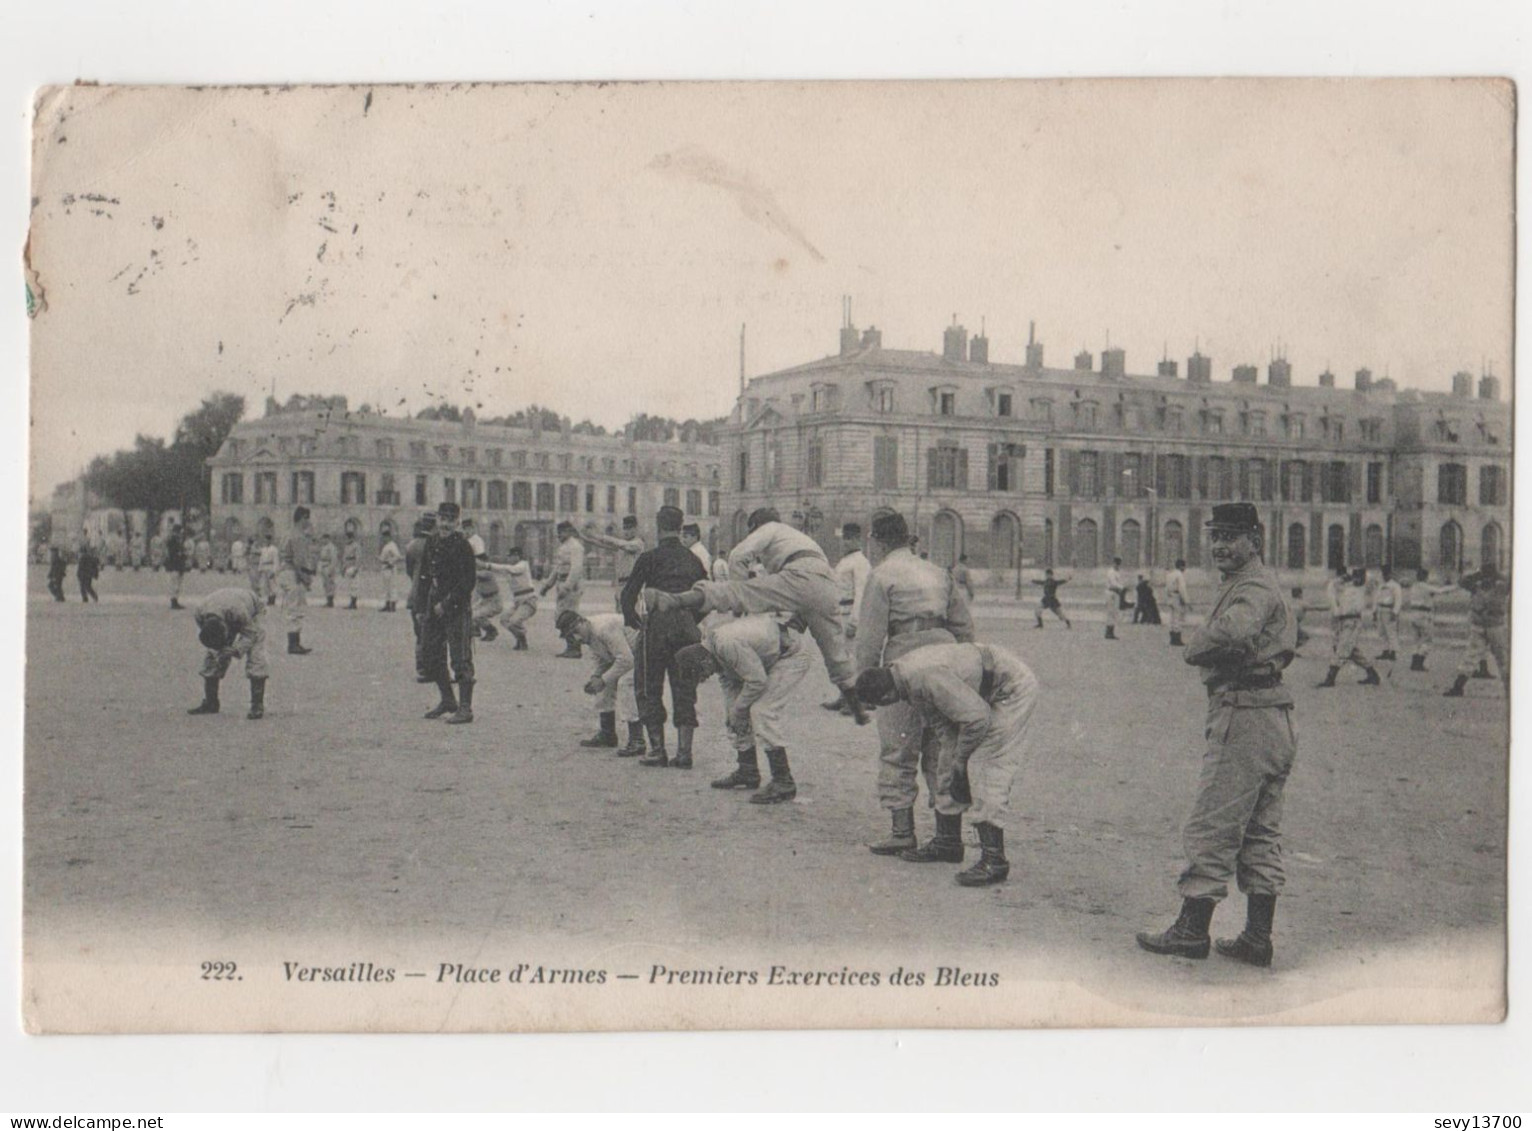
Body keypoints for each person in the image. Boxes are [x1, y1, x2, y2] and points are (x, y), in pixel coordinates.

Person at [1136, 503, 1298, 967]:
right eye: (1215, 536)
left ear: (1255, 540)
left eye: (1232, 536)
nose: (1221, 545)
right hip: (1274, 713)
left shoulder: (1252, 586)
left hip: (1245, 714)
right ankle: (1256, 937)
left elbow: (1234, 631)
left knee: (1213, 823)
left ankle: (1191, 930)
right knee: (1261, 831)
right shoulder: (1255, 582)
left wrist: (1196, 645)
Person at [645, 506, 870, 726]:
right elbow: (797, 597)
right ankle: (855, 704)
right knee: (835, 652)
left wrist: (740, 600)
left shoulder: (770, 527)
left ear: (754, 526)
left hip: (799, 575)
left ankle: (677, 599)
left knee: (735, 592)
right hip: (825, 586)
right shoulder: (797, 537)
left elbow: (738, 556)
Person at [855, 641, 1039, 886]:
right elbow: (944, 726)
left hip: (1010, 689)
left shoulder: (922, 677)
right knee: (947, 759)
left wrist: (962, 762)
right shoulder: (903, 677)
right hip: (984, 687)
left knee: (985, 768)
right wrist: (953, 763)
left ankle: (994, 860)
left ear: (887, 695)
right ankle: (948, 842)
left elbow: (977, 719)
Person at [852, 511, 975, 855]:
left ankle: (902, 831)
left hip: (904, 658)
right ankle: (949, 837)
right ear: (907, 538)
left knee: (898, 748)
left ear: (876, 541)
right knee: (944, 747)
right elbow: (964, 627)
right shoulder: (938, 571)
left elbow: (869, 639)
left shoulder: (881, 575)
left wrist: (865, 684)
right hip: (946, 657)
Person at [677, 613, 813, 804]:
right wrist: (734, 713)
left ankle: (783, 781)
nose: (705, 678)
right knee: (733, 712)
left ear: (704, 661)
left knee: (762, 711)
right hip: (768, 657)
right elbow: (729, 683)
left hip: (790, 655)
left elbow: (757, 681)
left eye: (702, 674)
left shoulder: (726, 645)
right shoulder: (713, 651)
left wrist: (740, 710)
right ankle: (747, 770)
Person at [622, 505, 709, 767]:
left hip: (657, 625)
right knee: (685, 688)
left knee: (649, 685)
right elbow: (706, 596)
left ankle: (657, 750)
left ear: (659, 527)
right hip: (686, 626)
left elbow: (628, 595)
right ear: (681, 527)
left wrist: (635, 622)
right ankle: (684, 753)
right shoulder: (693, 559)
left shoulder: (650, 558)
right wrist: (691, 620)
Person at [418, 501, 478, 724]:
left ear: (457, 523)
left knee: (461, 657)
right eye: (442, 519)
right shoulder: (431, 541)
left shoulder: (463, 546)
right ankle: (447, 700)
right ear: (437, 520)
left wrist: (447, 603)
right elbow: (424, 576)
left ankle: (465, 708)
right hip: (433, 607)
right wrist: (421, 607)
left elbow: (467, 582)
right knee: (431, 654)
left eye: (450, 521)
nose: (445, 524)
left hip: (456, 608)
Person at [558, 609, 642, 751]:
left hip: (643, 652)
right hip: (628, 655)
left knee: (625, 684)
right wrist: (596, 677)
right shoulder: (589, 634)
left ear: (583, 621)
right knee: (603, 685)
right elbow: (602, 659)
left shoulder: (604, 628)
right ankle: (607, 734)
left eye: (576, 630)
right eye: (571, 635)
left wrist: (603, 679)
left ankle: (637, 740)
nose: (576, 637)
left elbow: (627, 660)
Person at [186, 587, 270, 720]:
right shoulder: (200, 613)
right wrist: (218, 652)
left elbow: (250, 634)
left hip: (253, 611)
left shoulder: (239, 612)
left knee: (256, 656)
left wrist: (236, 649)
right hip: (227, 607)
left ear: (226, 628)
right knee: (212, 658)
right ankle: (211, 702)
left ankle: (257, 705)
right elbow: (210, 639)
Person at [823, 522, 872, 713]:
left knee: (852, 659)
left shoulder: (860, 562)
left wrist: (855, 621)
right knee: (841, 659)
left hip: (850, 612)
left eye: (850, 539)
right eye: (844, 538)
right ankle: (844, 696)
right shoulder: (845, 561)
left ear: (857, 540)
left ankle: (856, 701)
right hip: (839, 613)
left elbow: (861, 592)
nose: (846, 542)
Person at [1444, 563, 1509, 697]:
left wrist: (1483, 574)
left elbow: (1463, 581)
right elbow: (1462, 581)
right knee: (1475, 657)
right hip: (1487, 625)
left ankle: (1458, 687)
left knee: (1494, 657)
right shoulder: (1487, 586)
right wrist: (1489, 574)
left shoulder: (1489, 587)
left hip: (1490, 626)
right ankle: (1458, 687)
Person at [1316, 569, 1382, 688]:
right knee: (1352, 651)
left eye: (1360, 577)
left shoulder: (1365, 588)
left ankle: (1330, 678)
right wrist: (1341, 578)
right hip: (1342, 621)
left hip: (1353, 621)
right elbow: (1330, 587)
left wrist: (1365, 576)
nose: (1358, 580)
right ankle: (1372, 674)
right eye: (1356, 577)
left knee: (1342, 648)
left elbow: (1376, 581)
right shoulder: (1346, 587)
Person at [541, 521, 586, 658]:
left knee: (568, 616)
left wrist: (567, 587)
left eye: (561, 532)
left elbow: (576, 569)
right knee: (561, 615)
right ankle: (572, 645)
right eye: (558, 532)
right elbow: (557, 568)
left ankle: (575, 647)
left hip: (571, 586)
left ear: (569, 531)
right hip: (562, 582)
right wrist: (547, 585)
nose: (558, 535)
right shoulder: (564, 547)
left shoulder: (575, 547)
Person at [277, 508, 318, 655]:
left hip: (284, 571)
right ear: (303, 518)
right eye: (307, 518)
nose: (309, 522)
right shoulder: (299, 536)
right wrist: (306, 579)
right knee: (296, 608)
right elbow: (299, 561)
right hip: (293, 573)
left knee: (292, 607)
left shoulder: (287, 533)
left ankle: (294, 642)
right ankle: (293, 644)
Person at [404, 514, 437, 680]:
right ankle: (431, 668)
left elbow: (409, 571)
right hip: (432, 595)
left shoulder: (411, 545)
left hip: (415, 594)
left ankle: (422, 667)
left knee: (420, 633)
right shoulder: (436, 545)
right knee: (434, 633)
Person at [1405, 568, 1454, 673]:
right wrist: (1455, 586)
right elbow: (1440, 590)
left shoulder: (1414, 586)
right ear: (1425, 577)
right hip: (1423, 614)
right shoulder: (1425, 586)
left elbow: (1427, 594)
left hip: (1413, 613)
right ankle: (1419, 663)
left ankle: (1414, 662)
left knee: (1417, 640)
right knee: (1427, 640)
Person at [582, 515, 646, 597]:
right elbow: (602, 545)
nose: (626, 531)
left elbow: (620, 544)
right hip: (621, 584)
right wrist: (585, 537)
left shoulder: (638, 543)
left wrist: (597, 536)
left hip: (633, 584)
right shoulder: (622, 544)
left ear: (635, 529)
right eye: (625, 528)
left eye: (629, 528)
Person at [492, 546, 539, 652]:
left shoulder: (523, 565)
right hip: (517, 601)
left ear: (518, 556)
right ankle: (519, 638)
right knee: (504, 619)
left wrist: (488, 565)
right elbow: (500, 570)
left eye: (512, 556)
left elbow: (510, 569)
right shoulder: (511, 567)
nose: (509, 559)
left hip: (528, 600)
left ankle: (522, 639)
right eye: (509, 557)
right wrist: (487, 567)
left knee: (514, 621)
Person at [1374, 566, 1404, 662]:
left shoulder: (1395, 585)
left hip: (1389, 609)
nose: (1385, 576)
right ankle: (1385, 650)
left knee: (1391, 631)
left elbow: (1398, 599)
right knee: (1382, 632)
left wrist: (1395, 612)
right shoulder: (1380, 585)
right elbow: (1376, 598)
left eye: (1387, 574)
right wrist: (1374, 611)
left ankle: (1393, 652)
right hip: (1381, 609)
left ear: (1390, 574)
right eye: (1383, 574)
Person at [1164, 559, 1192, 645]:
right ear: (1181, 566)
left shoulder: (1170, 574)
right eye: (1184, 567)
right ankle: (1177, 639)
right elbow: (1182, 589)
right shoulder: (1179, 575)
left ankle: (1172, 637)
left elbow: (1166, 588)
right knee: (1178, 618)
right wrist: (1187, 601)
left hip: (1171, 596)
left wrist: (1168, 598)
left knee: (1172, 618)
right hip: (1177, 597)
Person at [165, 523, 190, 610]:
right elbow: (174, 554)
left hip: (177, 565)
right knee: (174, 584)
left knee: (177, 584)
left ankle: (175, 600)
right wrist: (182, 554)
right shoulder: (172, 541)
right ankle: (174, 601)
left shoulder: (177, 540)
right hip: (175, 565)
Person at [377, 531, 404, 612]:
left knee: (392, 587)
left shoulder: (392, 545)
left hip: (390, 568)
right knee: (386, 587)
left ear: (388, 537)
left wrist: (391, 562)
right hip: (385, 567)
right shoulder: (387, 546)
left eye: (384, 537)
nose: (383, 539)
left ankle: (392, 605)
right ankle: (387, 604)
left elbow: (398, 556)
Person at [1104, 557, 1128, 639]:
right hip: (1111, 592)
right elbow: (1113, 583)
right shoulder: (1111, 572)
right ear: (1113, 563)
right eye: (1116, 563)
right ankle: (1108, 632)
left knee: (1115, 613)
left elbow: (1120, 582)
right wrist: (1122, 587)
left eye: (1118, 564)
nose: (1117, 565)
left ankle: (1111, 631)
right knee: (1110, 612)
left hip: (1117, 593)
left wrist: (1123, 587)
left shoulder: (1118, 572)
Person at [341, 531, 363, 609]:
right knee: (349, 586)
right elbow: (344, 557)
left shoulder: (356, 546)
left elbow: (358, 558)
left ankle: (354, 603)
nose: (347, 539)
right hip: (347, 566)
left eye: (348, 538)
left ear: (352, 538)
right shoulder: (346, 546)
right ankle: (351, 602)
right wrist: (343, 567)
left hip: (353, 566)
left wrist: (356, 569)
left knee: (354, 585)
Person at [317, 534, 340, 608]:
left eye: (324, 539)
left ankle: (330, 601)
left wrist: (331, 569)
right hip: (323, 566)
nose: (322, 540)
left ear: (327, 539)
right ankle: (327, 600)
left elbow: (334, 559)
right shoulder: (324, 547)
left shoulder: (331, 547)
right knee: (325, 584)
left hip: (329, 566)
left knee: (330, 584)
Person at [257, 535, 279, 606]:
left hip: (270, 566)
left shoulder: (274, 549)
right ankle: (267, 599)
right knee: (265, 585)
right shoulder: (263, 549)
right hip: (264, 567)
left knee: (272, 584)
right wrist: (260, 568)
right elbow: (261, 559)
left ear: (270, 540)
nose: (266, 542)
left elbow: (276, 560)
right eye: (265, 540)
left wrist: (274, 570)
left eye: (267, 540)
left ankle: (272, 599)